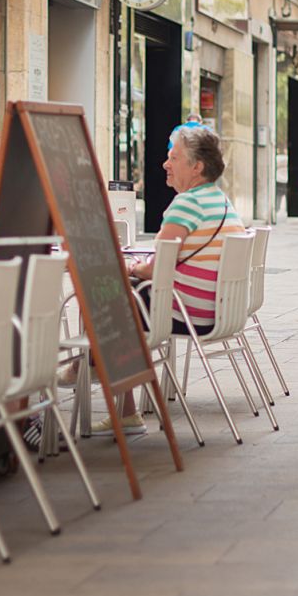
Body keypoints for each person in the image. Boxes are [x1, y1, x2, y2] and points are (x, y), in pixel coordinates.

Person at [90, 126, 244, 436]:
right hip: (216, 310)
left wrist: (133, 268)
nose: (165, 164)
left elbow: (156, 271)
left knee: (102, 300)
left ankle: (92, 371)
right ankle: (102, 378)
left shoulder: (186, 204)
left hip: (186, 311)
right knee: (122, 300)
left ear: (196, 167)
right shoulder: (222, 202)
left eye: (174, 157)